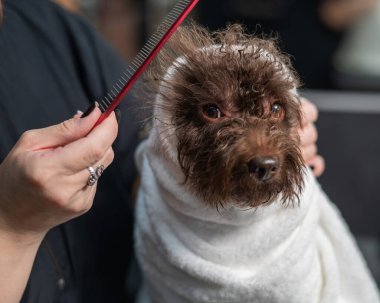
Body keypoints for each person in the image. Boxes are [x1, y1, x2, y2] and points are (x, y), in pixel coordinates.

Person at [0, 0, 324, 302]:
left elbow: (145, 163)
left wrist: (289, 140)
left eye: (275, 110)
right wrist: (11, 226)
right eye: (214, 112)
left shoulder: (53, 28)